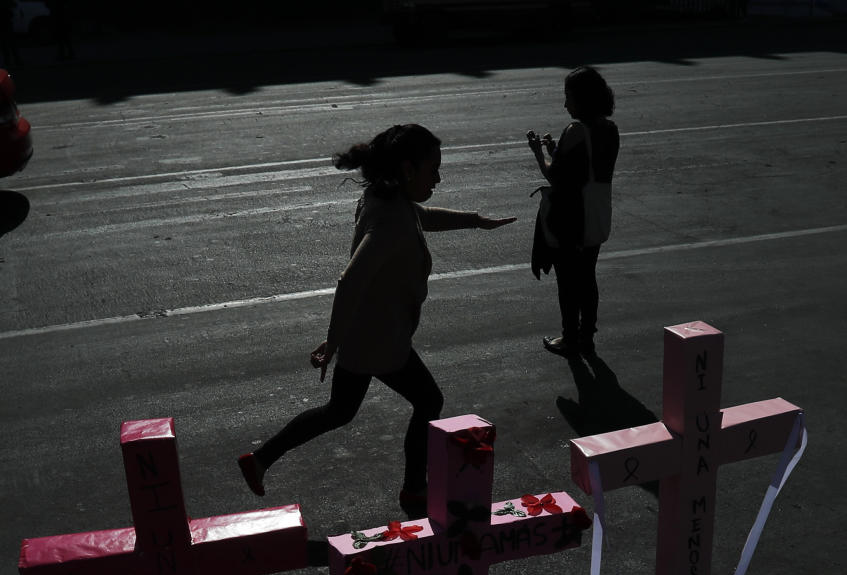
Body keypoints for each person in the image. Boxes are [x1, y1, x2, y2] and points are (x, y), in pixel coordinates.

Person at [238, 123, 515, 515]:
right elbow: (349, 280)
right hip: (379, 341)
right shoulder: (391, 221)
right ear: (407, 170)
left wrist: (474, 220)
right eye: (433, 169)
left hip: (365, 334)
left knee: (340, 411)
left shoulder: (384, 199)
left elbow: (424, 217)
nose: (438, 177)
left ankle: (260, 459)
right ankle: (414, 490)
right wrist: (332, 341)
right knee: (428, 399)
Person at [528, 66, 619, 358]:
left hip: (572, 220)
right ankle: (587, 337)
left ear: (582, 99)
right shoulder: (609, 128)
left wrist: (537, 152)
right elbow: (586, 169)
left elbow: (556, 176)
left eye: (568, 97)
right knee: (587, 279)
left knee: (568, 282)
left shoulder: (576, 130)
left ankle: (569, 339)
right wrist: (557, 149)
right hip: (597, 216)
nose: (565, 104)